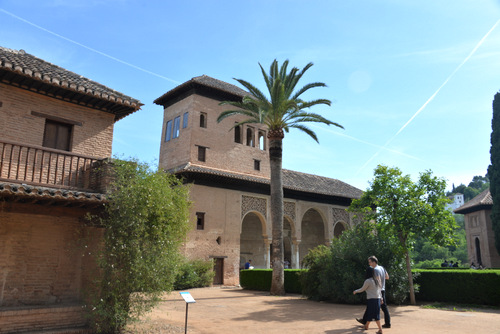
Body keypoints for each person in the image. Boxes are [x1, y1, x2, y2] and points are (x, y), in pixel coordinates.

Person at [356, 256, 391, 328]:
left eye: (370, 262)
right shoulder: (382, 268)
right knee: (378, 307)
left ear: (374, 262)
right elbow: (387, 277)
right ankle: (365, 321)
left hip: (378, 291)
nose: (369, 264)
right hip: (382, 289)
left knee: (380, 307)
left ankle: (387, 323)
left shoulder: (376, 270)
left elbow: (377, 282)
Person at [353, 266, 383, 334]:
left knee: (375, 315)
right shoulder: (377, 280)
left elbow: (362, 289)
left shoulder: (368, 281)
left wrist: (356, 291)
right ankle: (366, 326)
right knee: (371, 314)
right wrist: (381, 298)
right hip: (377, 299)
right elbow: (379, 291)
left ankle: (380, 330)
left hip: (371, 300)